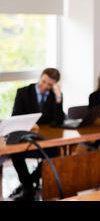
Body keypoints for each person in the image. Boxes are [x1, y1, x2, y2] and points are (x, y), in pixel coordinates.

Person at [9, 68, 65, 201]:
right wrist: (28, 124)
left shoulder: (54, 95)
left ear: (54, 84)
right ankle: (29, 186)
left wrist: (58, 98)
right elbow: (15, 117)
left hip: (44, 138)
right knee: (15, 153)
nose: (45, 86)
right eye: (44, 81)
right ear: (40, 77)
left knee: (55, 152)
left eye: (50, 84)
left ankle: (28, 185)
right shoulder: (23, 92)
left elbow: (59, 121)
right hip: (25, 137)